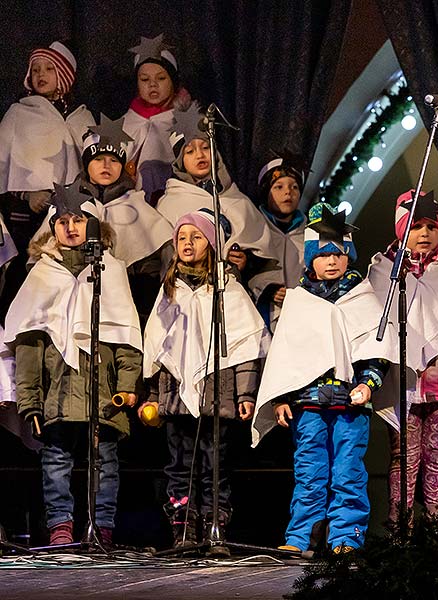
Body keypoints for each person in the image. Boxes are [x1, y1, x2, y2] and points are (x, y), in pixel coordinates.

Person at [342, 189, 438, 523]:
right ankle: (400, 529)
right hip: (403, 381)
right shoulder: (384, 272)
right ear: (401, 229)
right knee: (403, 456)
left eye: (430, 227)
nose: (424, 234)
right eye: (415, 226)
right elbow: (371, 328)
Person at [6, 184, 142, 547]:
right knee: (56, 462)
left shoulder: (110, 271)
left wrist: (127, 387)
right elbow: (30, 345)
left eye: (79, 220)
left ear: (94, 225)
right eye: (62, 221)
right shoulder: (42, 274)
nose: (70, 228)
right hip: (58, 390)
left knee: (105, 463)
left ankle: (103, 527)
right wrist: (30, 401)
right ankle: (61, 526)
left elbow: (126, 338)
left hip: (103, 390)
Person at [252, 202, 389, 556]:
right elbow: (287, 354)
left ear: (348, 256)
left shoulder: (361, 296)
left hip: (350, 404)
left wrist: (367, 384)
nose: (332, 262)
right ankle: (301, 538)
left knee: (347, 472)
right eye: (324, 255)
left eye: (339, 254)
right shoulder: (300, 301)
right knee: (310, 472)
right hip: (308, 404)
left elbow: (376, 350)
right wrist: (281, 397)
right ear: (311, 258)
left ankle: (345, 537)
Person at [142, 211, 270, 556]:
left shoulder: (228, 289)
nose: (187, 243)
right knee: (180, 466)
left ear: (211, 244)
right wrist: (153, 394)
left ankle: (215, 527)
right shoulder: (169, 291)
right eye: (182, 238)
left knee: (215, 466)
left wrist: (245, 394)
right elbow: (157, 349)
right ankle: (184, 528)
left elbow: (246, 345)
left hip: (217, 394)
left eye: (196, 237)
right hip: (177, 399)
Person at [28, 114, 172, 321]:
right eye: (98, 159)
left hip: (126, 301)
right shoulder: (67, 200)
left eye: (114, 160)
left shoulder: (136, 204)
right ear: (87, 164)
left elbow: (157, 253)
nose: (106, 165)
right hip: (70, 298)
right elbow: (39, 254)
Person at [0, 40, 94, 322]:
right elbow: (2, 164)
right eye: (36, 69)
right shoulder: (19, 114)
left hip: (66, 216)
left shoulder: (79, 116)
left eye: (49, 68)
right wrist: (27, 195)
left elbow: (93, 157)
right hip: (24, 214)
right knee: (21, 276)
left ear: (64, 75)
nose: (41, 74)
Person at [155, 104, 279, 280]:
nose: (200, 155)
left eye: (205, 148)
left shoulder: (236, 198)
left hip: (231, 290)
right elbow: (167, 257)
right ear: (181, 161)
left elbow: (261, 255)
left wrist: (245, 261)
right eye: (190, 151)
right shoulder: (170, 203)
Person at [121, 34, 192, 204]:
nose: (152, 84)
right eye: (145, 79)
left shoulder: (185, 121)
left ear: (172, 81)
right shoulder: (127, 121)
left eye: (160, 78)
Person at [246, 153, 308, 330]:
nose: (288, 192)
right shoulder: (253, 228)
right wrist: (269, 290)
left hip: (301, 317)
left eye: (294, 187)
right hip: (265, 316)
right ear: (267, 192)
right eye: (278, 187)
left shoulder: (309, 234)